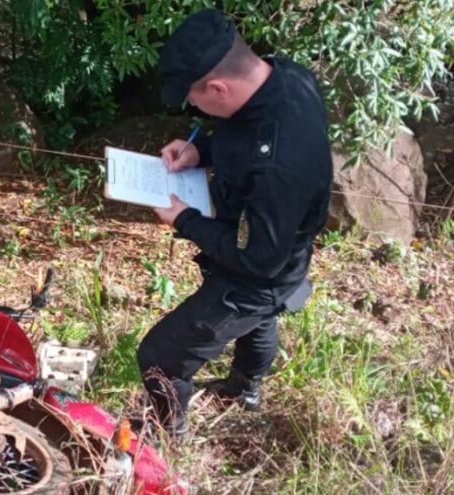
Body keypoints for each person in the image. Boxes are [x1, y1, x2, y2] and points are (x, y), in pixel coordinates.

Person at [136, 8, 333, 438]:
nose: (194, 107)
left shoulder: (278, 165)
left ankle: (167, 436)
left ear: (218, 87)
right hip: (281, 246)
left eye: (194, 99)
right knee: (263, 319)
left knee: (159, 356)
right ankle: (245, 389)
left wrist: (184, 219)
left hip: (258, 272)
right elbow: (244, 132)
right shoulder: (287, 77)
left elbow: (258, 259)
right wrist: (201, 151)